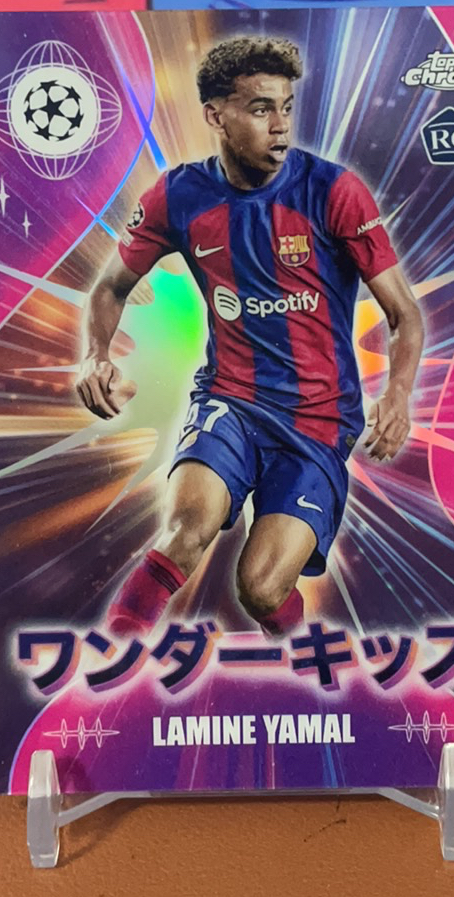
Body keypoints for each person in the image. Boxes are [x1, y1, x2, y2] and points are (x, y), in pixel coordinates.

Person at [76, 35, 423, 637]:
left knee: (260, 588)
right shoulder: (179, 195)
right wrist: (94, 355)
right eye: (261, 109)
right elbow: (110, 286)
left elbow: (404, 313)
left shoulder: (333, 192)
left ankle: (295, 650)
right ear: (216, 116)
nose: (280, 125)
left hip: (317, 420)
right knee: (186, 531)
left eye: (286, 107)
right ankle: (111, 657)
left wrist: (397, 394)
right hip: (229, 401)